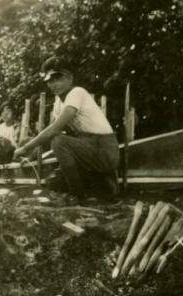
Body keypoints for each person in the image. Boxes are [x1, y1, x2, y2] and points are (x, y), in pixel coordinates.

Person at [13, 60, 120, 200]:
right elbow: (49, 132)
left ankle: (77, 195)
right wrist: (30, 156)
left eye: (57, 79)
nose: (52, 85)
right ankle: (97, 183)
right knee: (53, 183)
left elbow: (54, 130)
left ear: (69, 78)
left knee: (59, 142)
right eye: (49, 81)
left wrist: (25, 148)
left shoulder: (77, 93)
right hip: (87, 148)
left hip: (104, 150)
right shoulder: (59, 101)